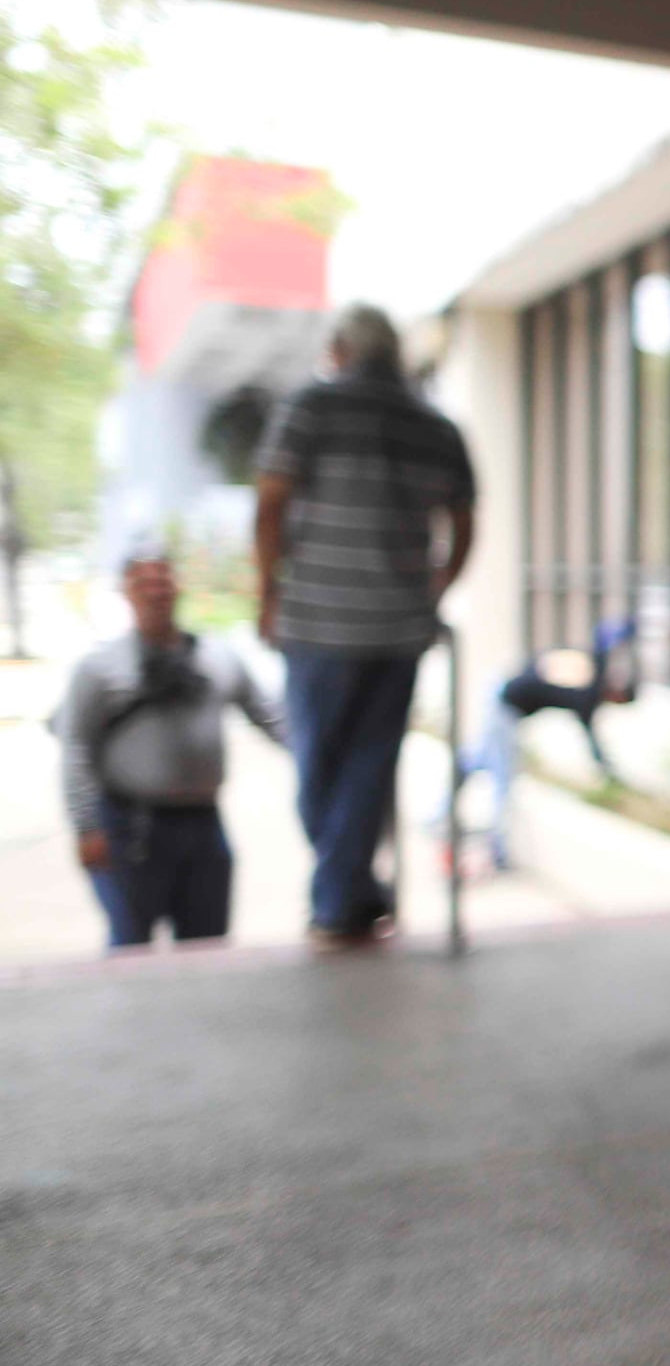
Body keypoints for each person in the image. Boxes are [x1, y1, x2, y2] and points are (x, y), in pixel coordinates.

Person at [254, 304, 476, 946]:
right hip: (397, 627)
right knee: (364, 769)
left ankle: (337, 904)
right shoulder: (434, 424)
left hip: (320, 623)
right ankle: (355, 895)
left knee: (321, 770)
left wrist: (269, 592)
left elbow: (270, 505)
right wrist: (436, 586)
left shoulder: (309, 408)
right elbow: (465, 523)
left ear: (342, 349)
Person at [60, 548, 285, 948]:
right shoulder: (100, 668)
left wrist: (325, 752)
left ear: (177, 586)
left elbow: (272, 719)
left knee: (207, 947)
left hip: (203, 824)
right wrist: (86, 826)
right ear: (125, 592)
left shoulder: (217, 657)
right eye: (142, 581)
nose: (155, 590)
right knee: (132, 945)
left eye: (163, 578)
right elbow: (75, 749)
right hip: (132, 828)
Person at [441, 619, 636, 871]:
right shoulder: (591, 688)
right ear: (617, 696)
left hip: (504, 694)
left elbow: (601, 637)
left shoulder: (592, 676)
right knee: (502, 778)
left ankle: (437, 815)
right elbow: (603, 636)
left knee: (478, 760)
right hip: (508, 705)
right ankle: (497, 849)